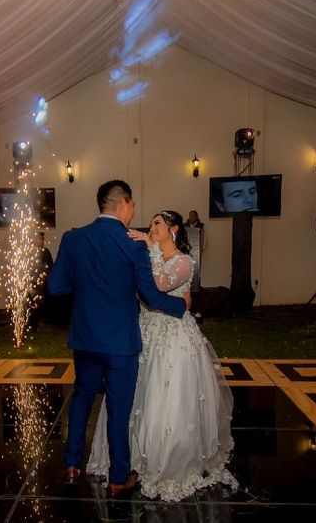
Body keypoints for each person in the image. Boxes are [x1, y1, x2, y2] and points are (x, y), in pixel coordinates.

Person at [47, 180, 189, 498]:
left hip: (85, 338)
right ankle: (117, 478)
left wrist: (87, 289)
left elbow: (55, 288)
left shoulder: (72, 238)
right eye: (133, 205)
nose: (134, 210)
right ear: (123, 203)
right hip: (121, 343)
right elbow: (151, 296)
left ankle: (72, 466)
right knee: (118, 408)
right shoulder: (132, 245)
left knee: (83, 397)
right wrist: (180, 305)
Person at [86, 210, 237, 501]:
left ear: (174, 229)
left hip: (174, 339)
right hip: (144, 333)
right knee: (135, 396)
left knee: (166, 397)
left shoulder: (183, 261)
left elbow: (159, 285)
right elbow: (140, 290)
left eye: (158, 223)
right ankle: (129, 459)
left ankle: (167, 459)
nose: (152, 227)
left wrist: (149, 248)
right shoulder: (148, 255)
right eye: (151, 223)